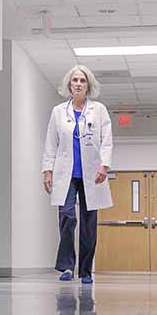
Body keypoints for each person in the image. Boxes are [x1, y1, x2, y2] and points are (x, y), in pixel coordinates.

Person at [42, 65, 113, 284]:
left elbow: (107, 140)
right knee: (67, 217)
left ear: (88, 85)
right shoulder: (58, 112)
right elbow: (50, 144)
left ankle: (85, 271)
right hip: (67, 174)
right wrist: (47, 170)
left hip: (92, 173)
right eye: (75, 80)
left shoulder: (98, 110)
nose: (79, 84)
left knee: (88, 222)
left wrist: (105, 166)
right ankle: (66, 267)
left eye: (82, 80)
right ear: (69, 85)